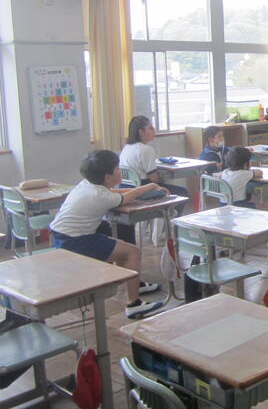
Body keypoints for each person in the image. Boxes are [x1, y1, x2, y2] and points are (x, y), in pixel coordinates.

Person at [49, 150, 166, 319]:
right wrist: (151, 186)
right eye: (117, 168)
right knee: (132, 252)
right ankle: (134, 304)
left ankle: (135, 283)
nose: (120, 170)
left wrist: (138, 190)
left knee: (120, 247)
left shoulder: (87, 185)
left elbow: (119, 194)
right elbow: (125, 198)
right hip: (76, 242)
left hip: (62, 236)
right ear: (108, 177)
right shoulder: (101, 195)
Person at [119, 115, 188, 213]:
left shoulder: (127, 147)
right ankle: (171, 218)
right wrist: (162, 179)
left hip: (124, 188)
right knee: (182, 192)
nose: (154, 130)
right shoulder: (146, 149)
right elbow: (153, 179)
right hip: (141, 190)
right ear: (141, 132)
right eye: (150, 128)